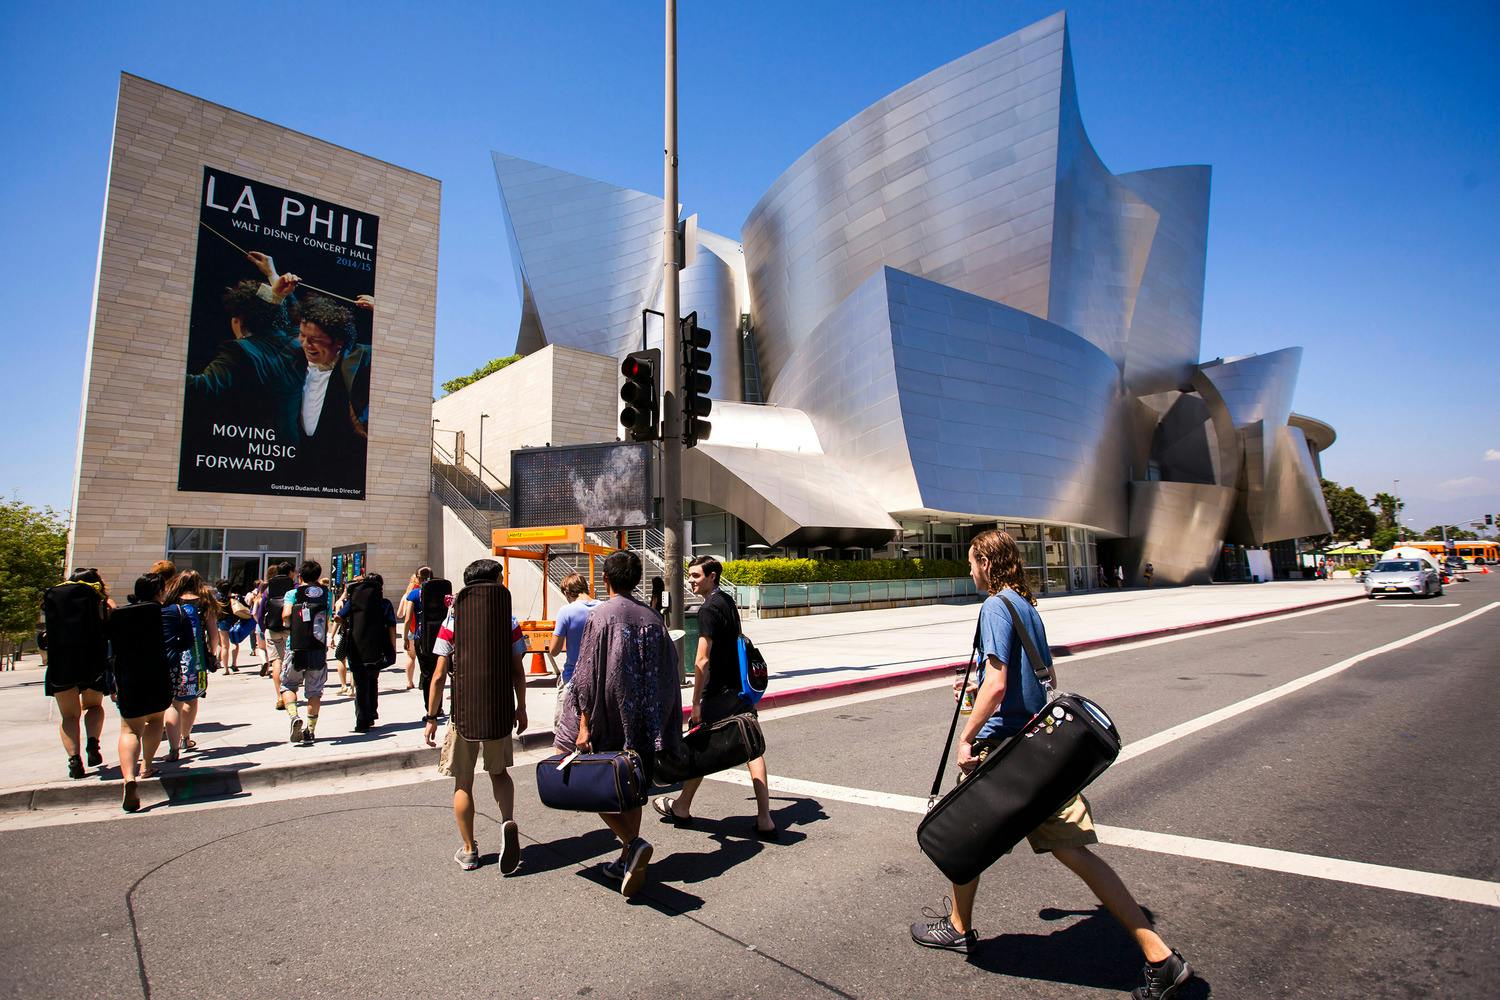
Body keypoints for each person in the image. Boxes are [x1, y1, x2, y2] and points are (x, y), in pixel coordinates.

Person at [910, 530, 1193, 1000]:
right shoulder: (1028, 608)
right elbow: (1044, 678)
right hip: (1038, 750)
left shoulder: (995, 606)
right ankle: (960, 923)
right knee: (1029, 845)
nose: (969, 569)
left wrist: (967, 735)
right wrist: (977, 693)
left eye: (972, 561)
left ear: (987, 562)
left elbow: (998, 684)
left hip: (1005, 752)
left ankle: (1160, 957)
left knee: (965, 833)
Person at [554, 550, 682, 897]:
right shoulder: (652, 617)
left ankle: (632, 843)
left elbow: (585, 676)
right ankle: (627, 857)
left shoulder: (602, 616)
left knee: (593, 786)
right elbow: (670, 672)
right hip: (643, 721)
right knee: (633, 787)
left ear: (605, 580)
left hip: (608, 717)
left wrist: (581, 724)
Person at [651, 555, 777, 838]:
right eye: (690, 575)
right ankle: (765, 818)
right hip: (739, 689)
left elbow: (701, 661)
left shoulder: (708, 610)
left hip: (716, 692)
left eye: (696, 576)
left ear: (712, 577)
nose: (691, 581)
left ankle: (682, 807)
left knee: (699, 749)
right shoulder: (729, 602)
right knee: (752, 748)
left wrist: (696, 702)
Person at [422, 559, 529, 873]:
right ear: (495, 581)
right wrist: (520, 706)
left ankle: (469, 849)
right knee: (499, 773)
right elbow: (517, 669)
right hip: (498, 709)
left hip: (463, 712)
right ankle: (507, 822)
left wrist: (431, 716)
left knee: (463, 782)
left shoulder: (453, 617)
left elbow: (440, 673)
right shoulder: (507, 618)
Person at [40, 569, 113, 779]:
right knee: (93, 706)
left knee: (69, 716)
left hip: (61, 661)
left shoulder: (55, 594)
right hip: (91, 659)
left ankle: (74, 760)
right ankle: (92, 743)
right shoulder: (97, 598)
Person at [112, 575, 176, 812]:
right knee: (155, 720)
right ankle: (147, 765)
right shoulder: (164, 612)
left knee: (129, 729)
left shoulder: (118, 615)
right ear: (159, 591)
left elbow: (112, 649)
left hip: (128, 676)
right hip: (156, 674)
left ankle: (129, 777)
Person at [162, 570, 215, 759]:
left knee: (174, 702)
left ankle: (173, 747)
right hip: (197, 657)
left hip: (173, 656)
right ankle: (186, 737)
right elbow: (213, 633)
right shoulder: (204, 602)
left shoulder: (170, 602)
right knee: (192, 699)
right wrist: (212, 653)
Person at [278, 560, 331, 746]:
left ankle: (294, 716)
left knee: (288, 685)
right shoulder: (326, 595)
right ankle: (310, 729)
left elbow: (285, 615)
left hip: (296, 646)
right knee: (315, 691)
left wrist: (289, 626)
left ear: (300, 575)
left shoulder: (292, 594)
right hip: (318, 647)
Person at [340, 573, 397, 732]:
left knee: (361, 684)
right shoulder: (384, 603)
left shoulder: (353, 601)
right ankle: (371, 712)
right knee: (372, 680)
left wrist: (347, 593)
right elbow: (392, 626)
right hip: (377, 646)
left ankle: (362, 719)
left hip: (356, 647)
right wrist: (392, 647)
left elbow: (338, 616)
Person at [547, 573, 599, 727]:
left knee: (564, 733)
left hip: (572, 679)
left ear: (567, 592)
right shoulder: (603, 607)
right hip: (597, 678)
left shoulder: (566, 611)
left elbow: (553, 650)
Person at [262, 562, 296, 709]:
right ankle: (290, 693)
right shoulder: (294, 589)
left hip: (272, 629)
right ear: (291, 572)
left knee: (277, 662)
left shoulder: (269, 588)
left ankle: (279, 697)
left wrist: (264, 626)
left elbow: (260, 611)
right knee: (291, 660)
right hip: (290, 629)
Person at [399, 568, 432, 690]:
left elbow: (406, 618)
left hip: (416, 630)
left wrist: (405, 637)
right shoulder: (436, 592)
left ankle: (413, 681)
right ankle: (427, 680)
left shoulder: (412, 594)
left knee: (414, 657)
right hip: (433, 631)